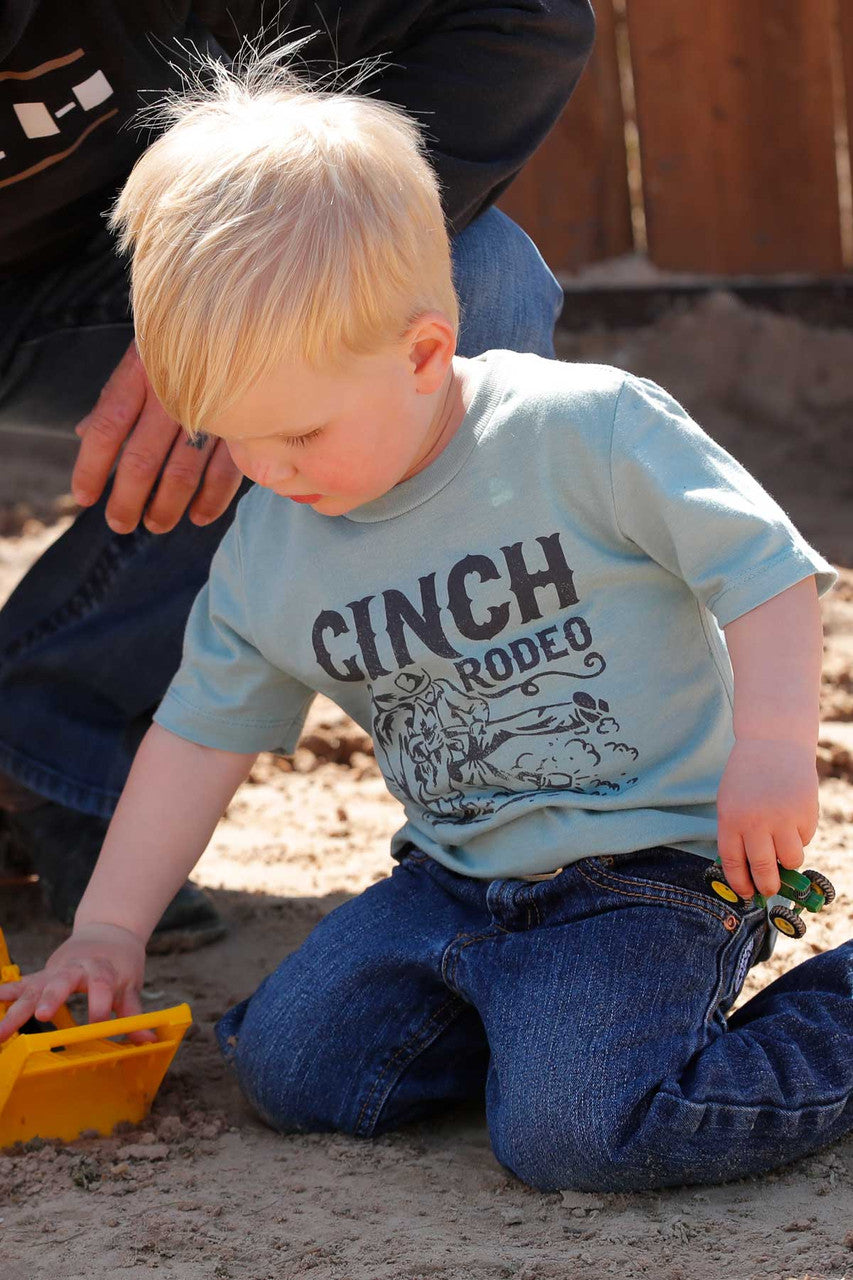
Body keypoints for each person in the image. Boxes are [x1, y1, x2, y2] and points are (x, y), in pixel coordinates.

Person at [1, 62, 851, 1193]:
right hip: (450, 877)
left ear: (419, 350)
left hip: (649, 867)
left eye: (297, 433)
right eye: (233, 439)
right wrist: (108, 926)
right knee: (293, 1071)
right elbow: (197, 736)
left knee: (577, 1134)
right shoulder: (272, 540)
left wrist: (770, 750)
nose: (267, 471)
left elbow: (762, 571)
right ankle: (538, 1026)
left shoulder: (581, 430)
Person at [0, 0, 595, 948]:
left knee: (476, 282)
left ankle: (46, 733)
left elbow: (529, 16)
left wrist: (217, 324)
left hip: (138, 260)